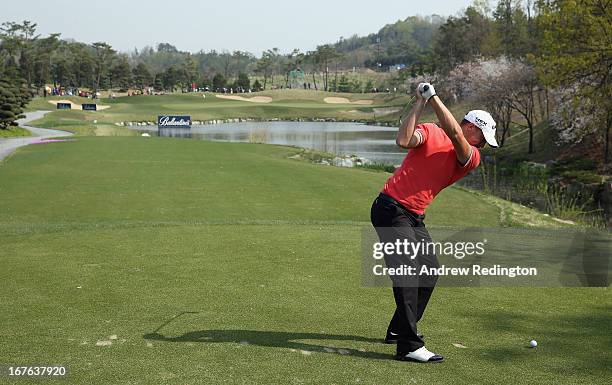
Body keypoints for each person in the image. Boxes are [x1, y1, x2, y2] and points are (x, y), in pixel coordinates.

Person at [370, 83, 498, 363]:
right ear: (472, 128)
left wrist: (433, 97)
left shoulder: (470, 156)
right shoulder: (430, 131)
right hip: (390, 207)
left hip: (414, 215)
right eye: (483, 137)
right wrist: (419, 103)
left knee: (429, 272)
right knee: (407, 271)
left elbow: (453, 132)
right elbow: (403, 141)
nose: (484, 144)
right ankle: (408, 345)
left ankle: (397, 330)